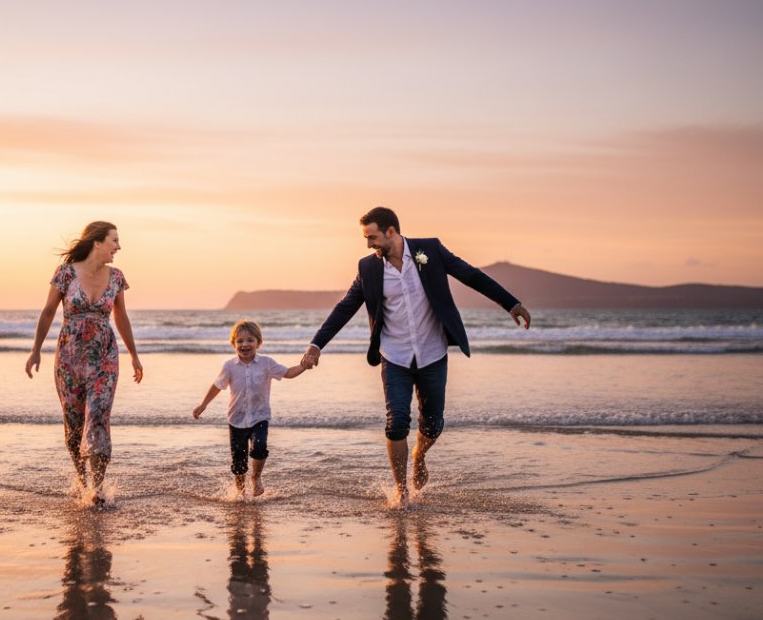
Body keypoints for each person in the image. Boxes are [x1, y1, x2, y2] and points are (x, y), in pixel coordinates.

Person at [301, 207, 530, 505]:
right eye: (366, 239)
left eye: (372, 237)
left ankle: (419, 455)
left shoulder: (429, 250)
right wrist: (316, 345)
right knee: (396, 421)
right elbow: (345, 307)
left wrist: (511, 304)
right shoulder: (368, 268)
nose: (369, 244)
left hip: (432, 353)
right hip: (394, 356)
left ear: (392, 232)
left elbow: (470, 275)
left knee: (433, 424)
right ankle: (401, 491)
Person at [26, 221, 144, 505]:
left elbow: (121, 318)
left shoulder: (116, 277)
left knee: (99, 416)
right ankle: (82, 482)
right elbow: (47, 312)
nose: (119, 246)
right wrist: (35, 350)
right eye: (114, 240)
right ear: (97, 242)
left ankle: (98, 489)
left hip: (104, 355)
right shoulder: (65, 274)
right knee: (75, 424)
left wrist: (134, 355)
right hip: (69, 358)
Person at [193, 320, 306, 497]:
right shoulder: (229, 366)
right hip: (236, 419)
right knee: (239, 462)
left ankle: (256, 477)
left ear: (258, 343)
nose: (245, 344)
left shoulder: (266, 363)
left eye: (250, 340)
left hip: (260, 416)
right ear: (233, 344)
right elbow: (217, 385)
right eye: (240, 341)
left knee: (259, 447)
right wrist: (203, 404)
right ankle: (240, 493)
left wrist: (303, 366)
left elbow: (288, 373)